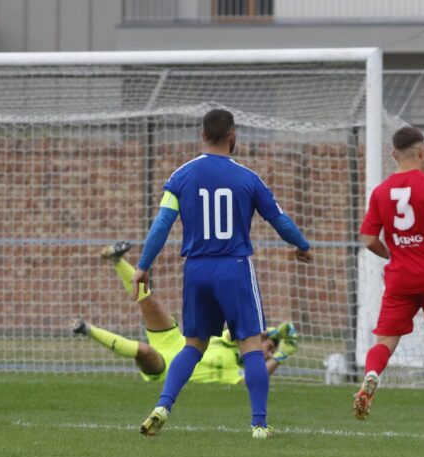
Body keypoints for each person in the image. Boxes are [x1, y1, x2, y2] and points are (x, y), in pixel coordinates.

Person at [132, 109, 312, 439]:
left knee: (193, 345)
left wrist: (143, 265)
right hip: (234, 268)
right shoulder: (248, 178)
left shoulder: (182, 176)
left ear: (202, 136)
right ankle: (259, 424)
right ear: (233, 137)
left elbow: (162, 224)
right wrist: (302, 244)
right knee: (252, 346)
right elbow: (278, 219)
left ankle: (163, 405)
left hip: (197, 270)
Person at [72, 241, 300, 384]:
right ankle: (116, 260)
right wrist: (276, 331)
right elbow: (240, 332)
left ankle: (86, 329)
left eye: (270, 353)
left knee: (144, 350)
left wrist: (281, 355)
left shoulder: (236, 374)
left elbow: (251, 383)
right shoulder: (231, 342)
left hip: (165, 369)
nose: (268, 353)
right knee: (150, 302)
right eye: (269, 348)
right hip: (174, 342)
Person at [355, 126, 424, 423]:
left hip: (400, 276)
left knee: (385, 339)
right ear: (422, 152)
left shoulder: (381, 191)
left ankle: (372, 374)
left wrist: (394, 254)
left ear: (393, 155)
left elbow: (368, 238)